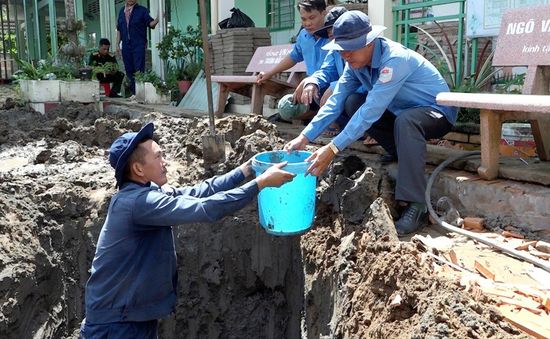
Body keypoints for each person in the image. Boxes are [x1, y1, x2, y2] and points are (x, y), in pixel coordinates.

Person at [80, 123, 294, 338]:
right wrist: (260, 183)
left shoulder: (148, 192)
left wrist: (245, 170)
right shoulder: (139, 203)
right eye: (158, 157)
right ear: (138, 169)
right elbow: (206, 208)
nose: (165, 163)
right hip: (115, 324)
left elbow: (200, 192)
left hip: (132, 316)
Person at [285, 11, 457, 235]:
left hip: (437, 112)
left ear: (369, 43)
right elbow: (335, 102)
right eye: (341, 49)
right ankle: (401, 152)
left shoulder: (394, 60)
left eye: (350, 49)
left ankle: (416, 205)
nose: (345, 55)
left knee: (403, 119)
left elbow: (372, 110)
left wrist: (333, 147)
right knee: (352, 101)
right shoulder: (355, 64)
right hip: (400, 112)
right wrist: (305, 136)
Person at [257, 0, 328, 121]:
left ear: (323, 13)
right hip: (311, 89)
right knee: (287, 108)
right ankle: (316, 115)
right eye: (304, 19)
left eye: (312, 18)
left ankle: (331, 121)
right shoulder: (304, 36)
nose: (308, 23)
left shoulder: (332, 35)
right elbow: (293, 57)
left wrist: (309, 82)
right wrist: (270, 73)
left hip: (330, 86)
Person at [116, 0, 159, 98]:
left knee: (138, 69)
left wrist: (158, 18)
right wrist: (117, 44)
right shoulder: (121, 11)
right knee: (129, 69)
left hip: (138, 44)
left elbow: (151, 24)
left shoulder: (142, 10)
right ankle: (134, 93)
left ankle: (140, 94)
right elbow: (119, 29)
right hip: (126, 45)